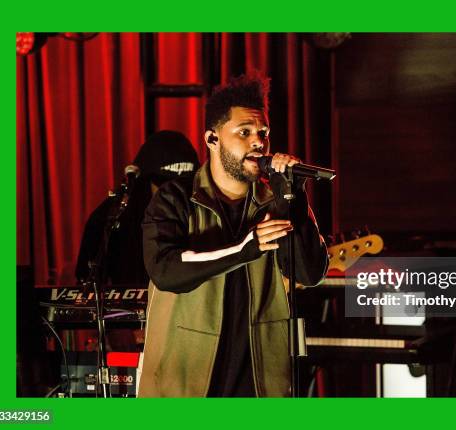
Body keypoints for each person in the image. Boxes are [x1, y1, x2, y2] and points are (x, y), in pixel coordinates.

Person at [138, 74, 329, 397]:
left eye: (263, 134)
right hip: (188, 384)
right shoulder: (175, 199)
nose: (258, 142)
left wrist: (293, 198)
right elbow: (166, 270)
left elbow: (311, 273)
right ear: (212, 139)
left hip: (257, 384)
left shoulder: (275, 202)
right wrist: (244, 248)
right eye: (244, 132)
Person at [75, 130, 200, 286]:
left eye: (181, 189)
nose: (171, 196)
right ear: (144, 183)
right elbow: (85, 277)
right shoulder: (113, 216)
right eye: (163, 188)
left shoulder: (204, 214)